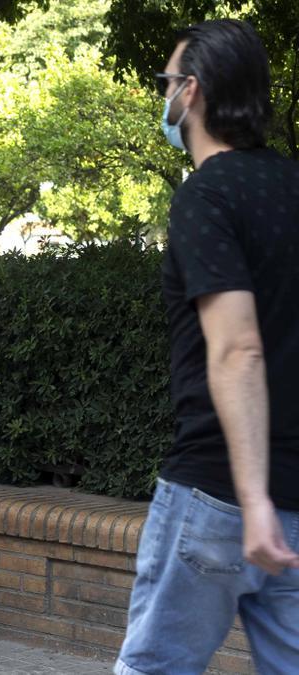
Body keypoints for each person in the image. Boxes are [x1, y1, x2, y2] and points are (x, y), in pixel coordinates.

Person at [115, 20, 299, 675]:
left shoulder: (206, 195)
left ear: (189, 92)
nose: (162, 98)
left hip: (220, 497)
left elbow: (237, 350)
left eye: (165, 82)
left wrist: (253, 505)